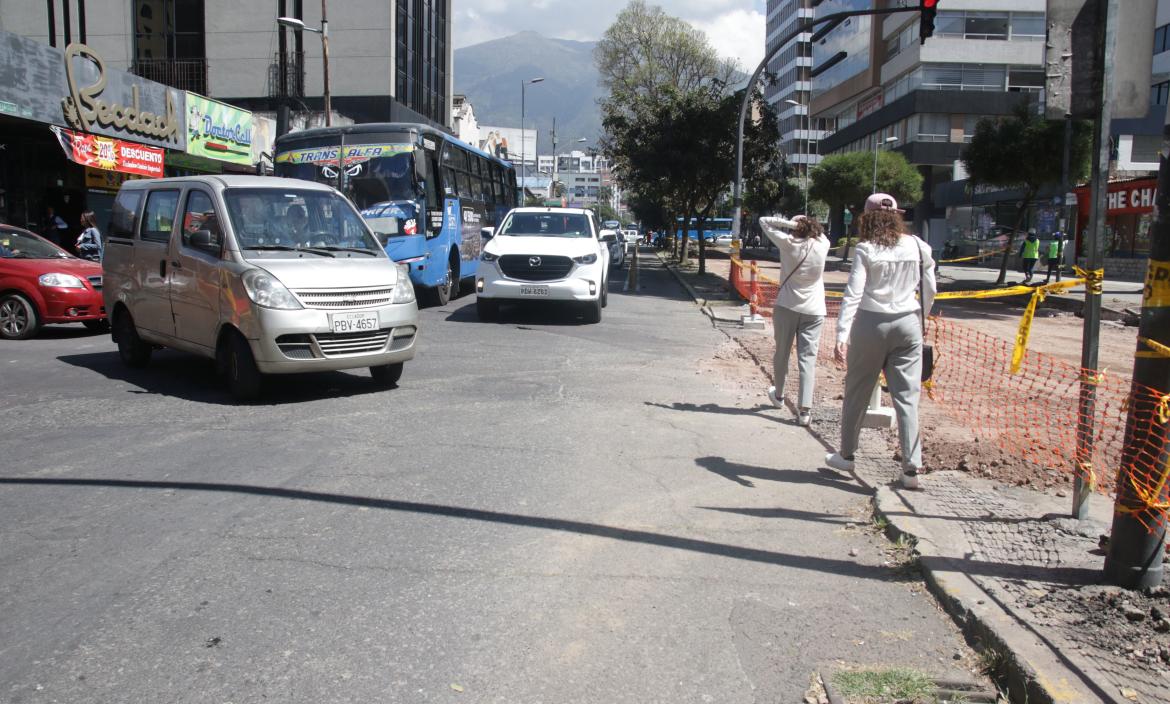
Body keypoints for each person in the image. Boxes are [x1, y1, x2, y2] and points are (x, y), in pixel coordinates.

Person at [825, 193, 936, 490]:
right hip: (909, 323)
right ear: (897, 215)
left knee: (857, 391)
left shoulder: (865, 248)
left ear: (866, 217)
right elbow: (930, 287)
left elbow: (854, 293)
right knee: (907, 398)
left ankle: (847, 455)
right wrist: (920, 317)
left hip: (871, 324)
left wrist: (841, 334)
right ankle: (911, 468)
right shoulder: (918, 246)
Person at [759, 214, 830, 426]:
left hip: (787, 305)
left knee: (782, 353)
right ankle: (805, 410)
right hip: (815, 309)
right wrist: (807, 225)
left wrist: (789, 224)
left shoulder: (788, 243)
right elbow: (821, 234)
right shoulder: (823, 244)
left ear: (795, 227)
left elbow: (764, 221)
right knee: (808, 359)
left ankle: (779, 395)